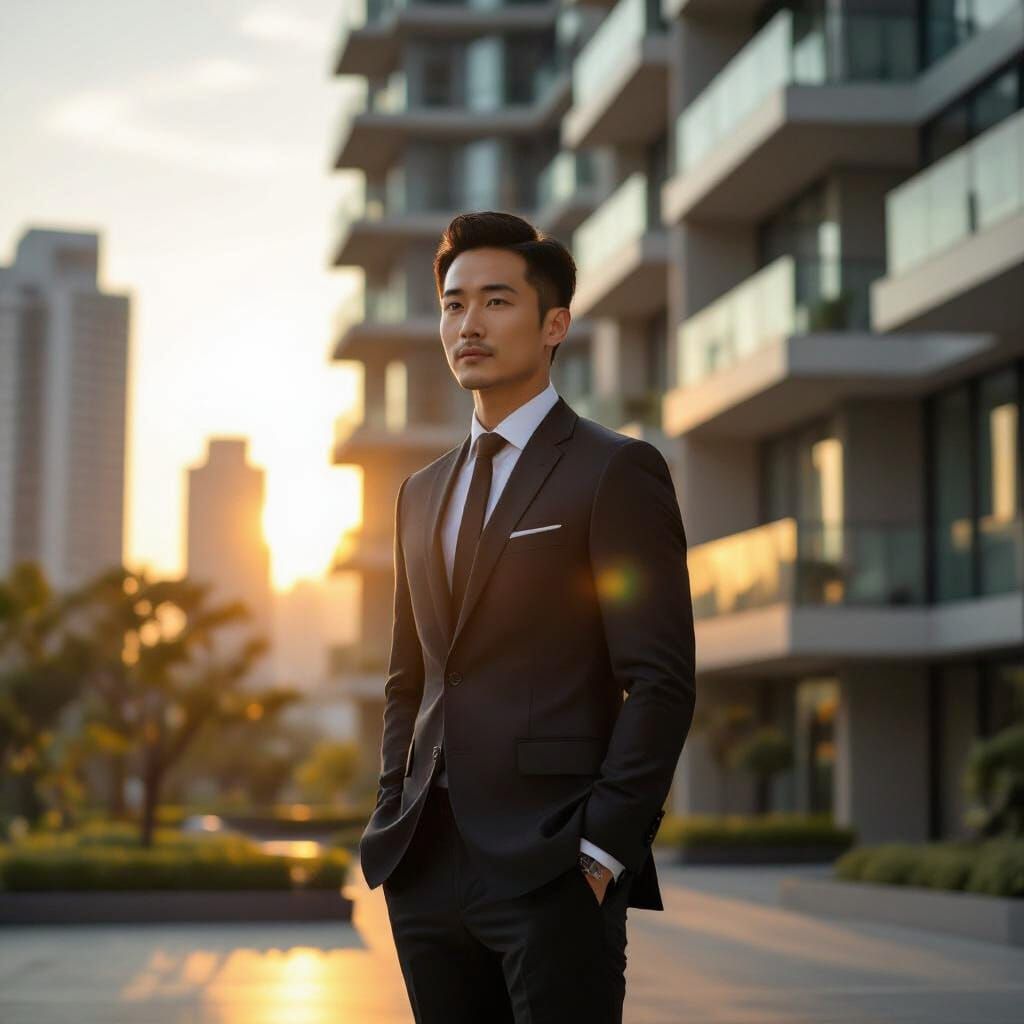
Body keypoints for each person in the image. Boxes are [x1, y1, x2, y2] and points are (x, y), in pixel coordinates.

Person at [358, 210, 696, 1023]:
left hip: (555, 869)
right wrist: (390, 814)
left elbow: (658, 680)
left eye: (496, 301)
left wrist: (603, 849)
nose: (468, 324)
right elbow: (411, 679)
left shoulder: (615, 472)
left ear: (554, 325)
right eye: (452, 303)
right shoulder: (419, 492)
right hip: (427, 869)